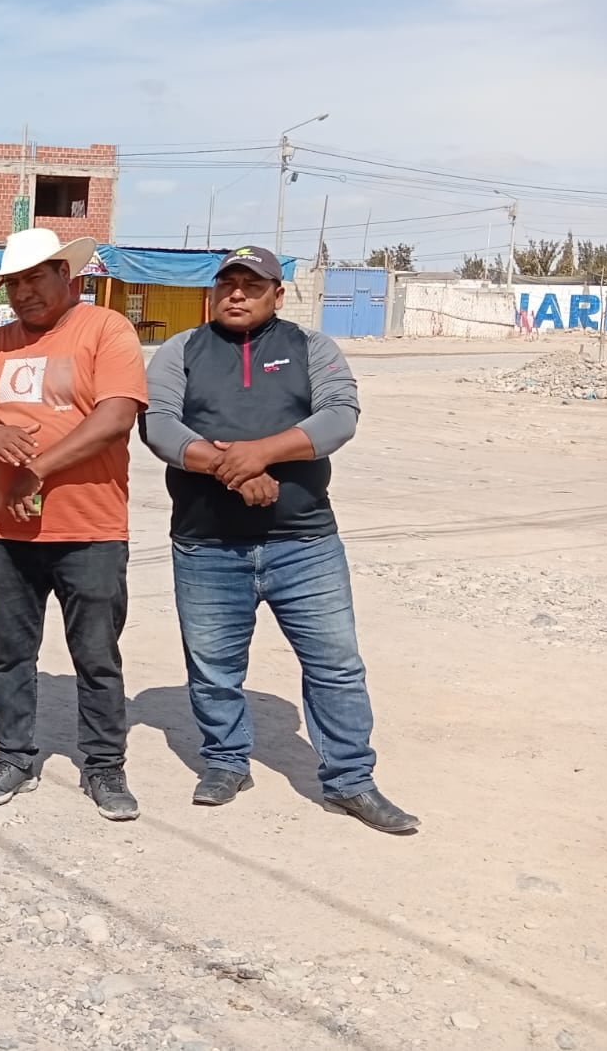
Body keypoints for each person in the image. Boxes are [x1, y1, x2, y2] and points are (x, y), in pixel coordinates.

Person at [140, 245, 418, 834]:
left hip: (305, 543)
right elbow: (159, 427)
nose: (237, 294)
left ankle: (350, 780)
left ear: (278, 294)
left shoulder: (313, 347)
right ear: (213, 292)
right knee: (213, 667)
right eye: (228, 284)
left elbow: (339, 416)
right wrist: (233, 471)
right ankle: (225, 762)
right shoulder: (180, 351)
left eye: (253, 285)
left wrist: (261, 453)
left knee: (336, 666)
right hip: (206, 544)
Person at [0, 229, 148, 820]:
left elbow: (116, 416)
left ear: (67, 274)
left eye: (34, 278)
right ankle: (13, 756)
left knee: (96, 655)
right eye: (13, 283)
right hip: (7, 531)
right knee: (10, 653)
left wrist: (37, 469)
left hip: (91, 528)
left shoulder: (106, 329)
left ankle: (104, 765)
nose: (23, 293)